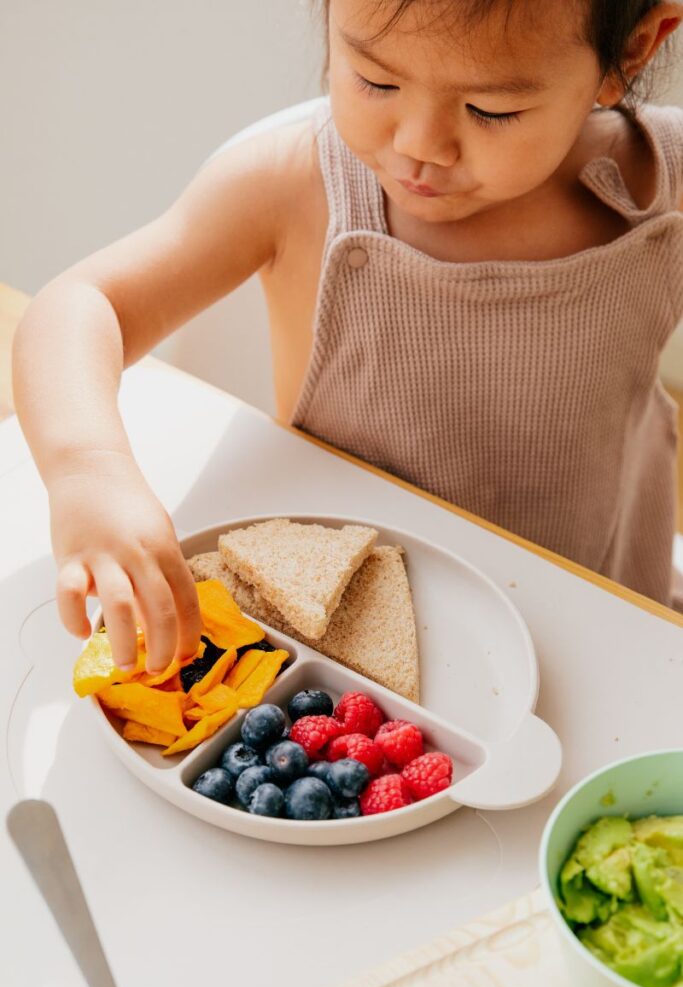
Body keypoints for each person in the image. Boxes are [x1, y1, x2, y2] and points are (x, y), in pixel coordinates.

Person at [12, 0, 683, 675]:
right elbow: (81, 302)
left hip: (598, 603)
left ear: (630, 51)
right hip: (345, 633)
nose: (420, 143)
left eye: (490, 110)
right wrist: (88, 471)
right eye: (375, 81)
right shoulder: (288, 185)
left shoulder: (665, 178)